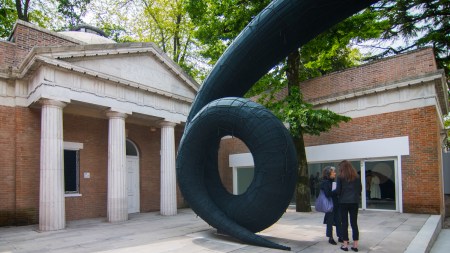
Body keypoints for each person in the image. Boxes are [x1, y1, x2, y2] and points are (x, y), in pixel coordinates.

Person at [336, 160, 362, 252]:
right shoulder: (357, 177)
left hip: (343, 202)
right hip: (354, 202)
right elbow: (360, 189)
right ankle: (355, 245)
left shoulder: (340, 177)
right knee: (354, 223)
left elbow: (338, 191)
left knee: (344, 223)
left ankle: (345, 245)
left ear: (342, 168)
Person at [320, 166, 343, 245]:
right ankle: (330, 238)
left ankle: (340, 237)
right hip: (330, 205)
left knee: (338, 220)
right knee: (330, 221)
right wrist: (336, 191)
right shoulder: (325, 182)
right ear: (328, 173)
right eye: (333, 172)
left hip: (336, 204)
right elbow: (327, 194)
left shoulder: (333, 181)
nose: (335, 173)